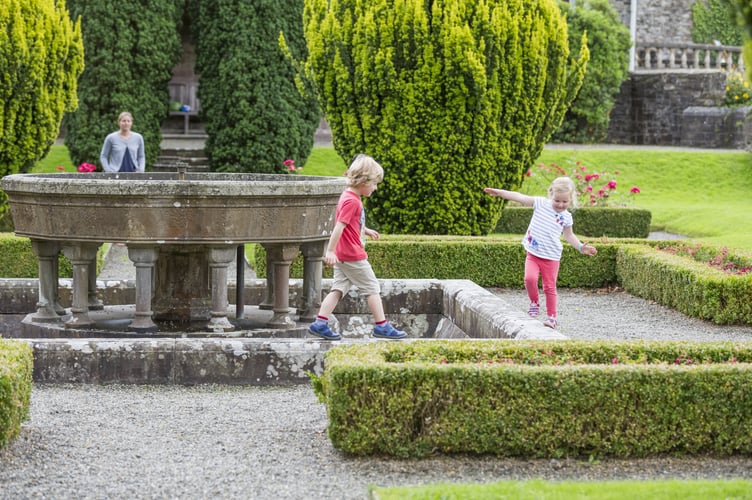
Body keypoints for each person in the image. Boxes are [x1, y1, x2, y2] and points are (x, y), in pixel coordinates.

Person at [308, 154, 407, 341]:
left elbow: (351, 223)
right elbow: (339, 226)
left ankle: (320, 323)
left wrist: (365, 230)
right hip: (353, 255)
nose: (376, 188)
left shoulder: (348, 195)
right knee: (372, 288)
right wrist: (329, 251)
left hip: (343, 254)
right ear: (364, 181)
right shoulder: (352, 201)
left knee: (338, 289)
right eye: (374, 183)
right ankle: (382, 326)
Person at [484, 177, 597, 329]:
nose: (561, 205)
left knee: (550, 287)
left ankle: (551, 317)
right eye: (557, 201)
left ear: (570, 200)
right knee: (529, 279)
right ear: (551, 194)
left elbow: (569, 235)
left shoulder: (567, 217)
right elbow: (519, 197)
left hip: (552, 257)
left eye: (565, 202)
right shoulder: (540, 203)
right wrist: (500, 193)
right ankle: (534, 302)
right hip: (533, 253)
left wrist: (580, 247)